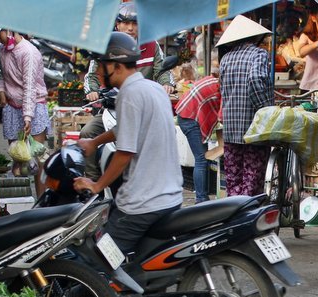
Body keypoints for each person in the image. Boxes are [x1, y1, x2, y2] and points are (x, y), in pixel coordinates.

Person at [73, 32, 183, 255]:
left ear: (116, 65)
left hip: (142, 202)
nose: (100, 72)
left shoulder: (130, 93)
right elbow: (123, 128)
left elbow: (124, 153)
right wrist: (94, 142)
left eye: (103, 65)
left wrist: (97, 185)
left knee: (99, 259)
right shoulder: (152, 89)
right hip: (170, 196)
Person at [79, 2, 175, 179]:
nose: (130, 28)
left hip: (144, 108)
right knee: (87, 132)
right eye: (126, 23)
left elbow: (162, 71)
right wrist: (92, 90)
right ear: (117, 24)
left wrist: (166, 84)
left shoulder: (151, 45)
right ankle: (92, 179)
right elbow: (91, 75)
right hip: (112, 107)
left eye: (135, 24)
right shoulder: (105, 44)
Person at [217, 15, 273, 196]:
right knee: (252, 177)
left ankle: (233, 213)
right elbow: (257, 79)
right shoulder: (259, 54)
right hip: (254, 128)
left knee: (233, 178)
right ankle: (248, 214)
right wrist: (266, 109)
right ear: (255, 38)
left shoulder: (225, 59)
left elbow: (222, 89)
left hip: (231, 128)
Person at [0, 27, 50, 195]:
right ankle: (19, 201)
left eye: (0, 34)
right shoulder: (2, 51)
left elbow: (30, 88)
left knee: (37, 158)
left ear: (9, 29)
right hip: (12, 108)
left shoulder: (29, 52)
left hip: (33, 107)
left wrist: (27, 117)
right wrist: (1, 91)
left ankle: (41, 201)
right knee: (18, 158)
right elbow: (2, 77)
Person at [175, 70, 221, 203]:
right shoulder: (220, 89)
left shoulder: (214, 81)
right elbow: (222, 115)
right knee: (201, 159)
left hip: (186, 113)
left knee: (203, 158)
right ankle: (201, 199)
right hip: (188, 117)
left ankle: (203, 196)